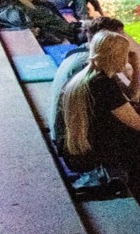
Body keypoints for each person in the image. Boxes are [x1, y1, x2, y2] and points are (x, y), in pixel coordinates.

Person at [60, 31, 140, 196]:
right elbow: (138, 124)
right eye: (125, 54)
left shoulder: (88, 75)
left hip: (79, 146)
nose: (128, 57)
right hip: (90, 154)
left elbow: (131, 101)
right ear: (116, 56)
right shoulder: (103, 84)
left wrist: (136, 67)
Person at [50, 16, 130, 151]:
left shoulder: (82, 55)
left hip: (66, 135)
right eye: (120, 39)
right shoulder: (93, 68)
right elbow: (131, 105)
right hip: (71, 142)